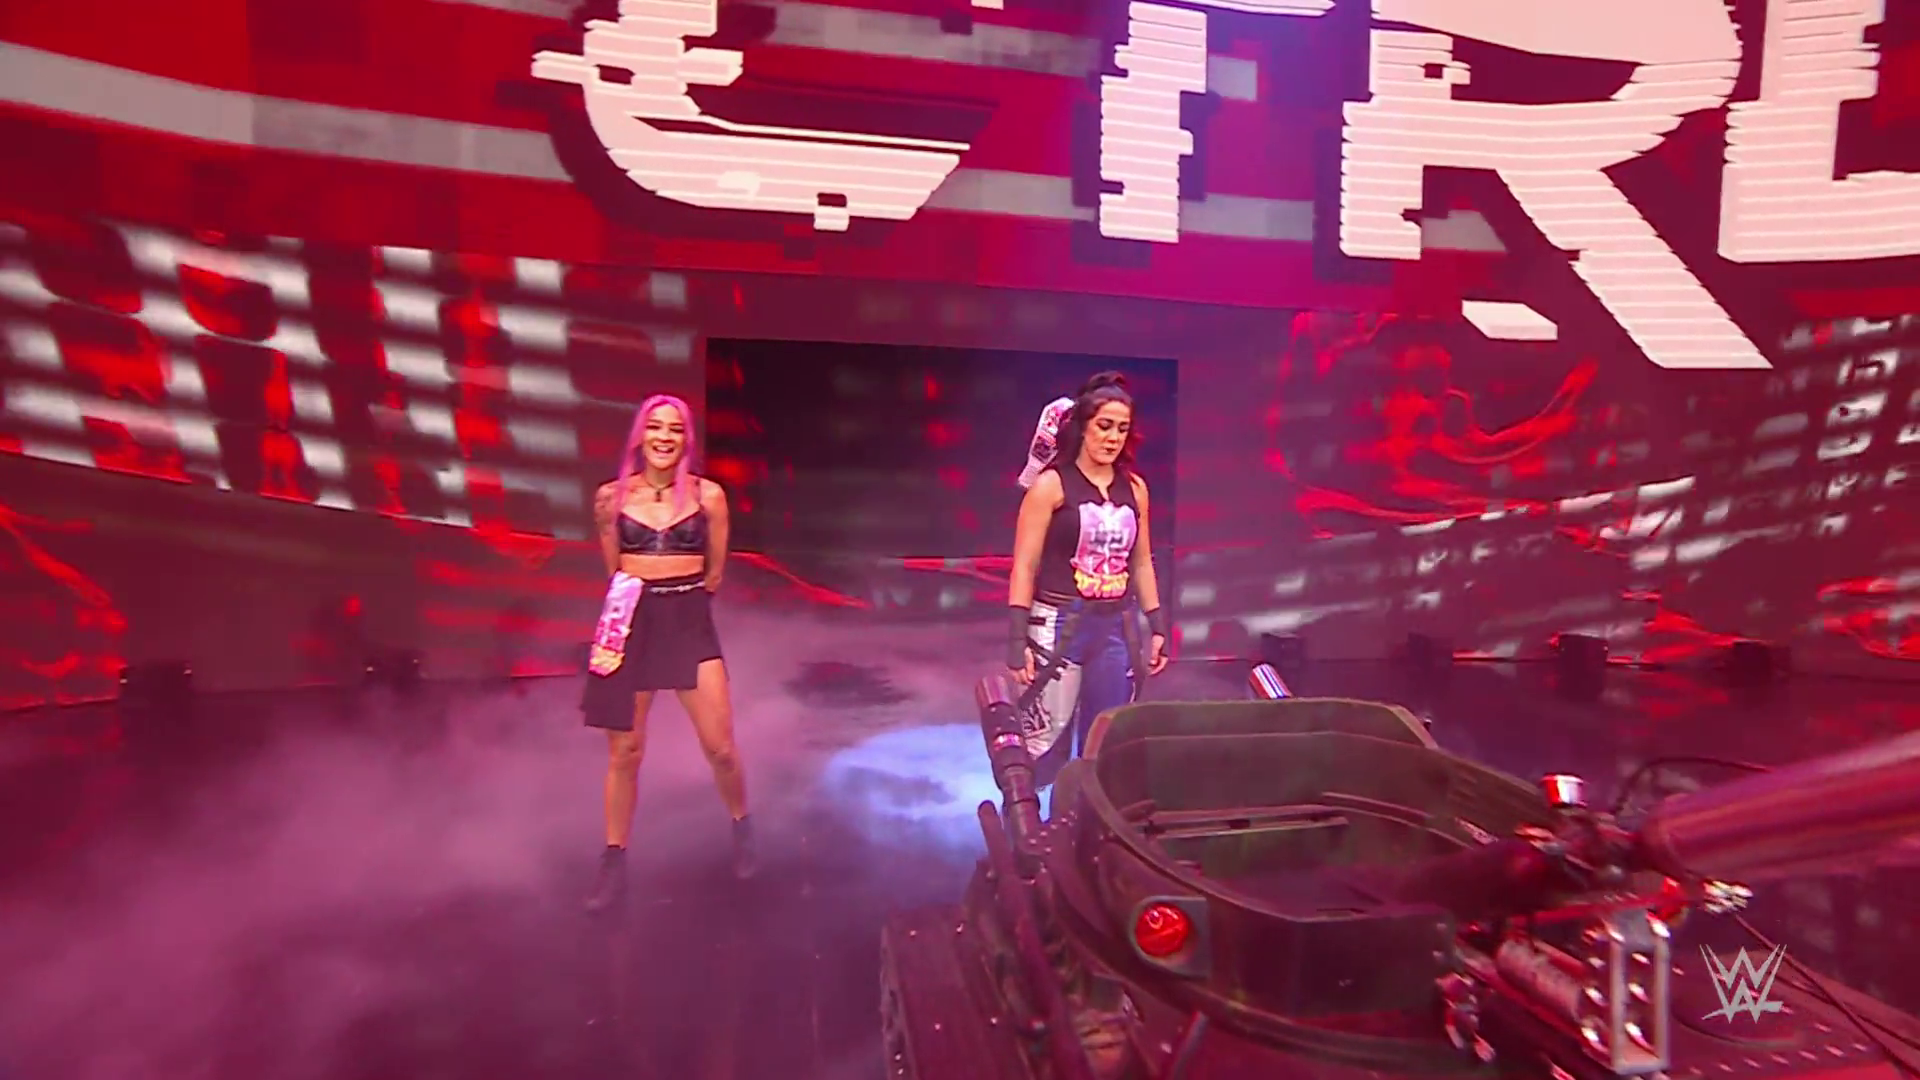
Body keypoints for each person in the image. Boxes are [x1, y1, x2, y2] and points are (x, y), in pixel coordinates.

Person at [582, 393, 752, 911]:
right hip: (633, 621)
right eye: (655, 427)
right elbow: (614, 566)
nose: (664, 437)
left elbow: (714, 572)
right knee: (626, 753)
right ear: (640, 435)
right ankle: (613, 862)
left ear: (686, 441)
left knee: (721, 747)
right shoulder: (610, 499)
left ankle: (742, 825)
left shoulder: (709, 497)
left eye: (675, 429)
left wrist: (681, 601)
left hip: (688, 620)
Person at [1006, 372, 1170, 779]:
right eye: (1104, 426)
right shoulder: (1050, 487)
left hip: (1115, 626)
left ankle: (1088, 815)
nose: (1113, 438)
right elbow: (1024, 565)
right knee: (1044, 746)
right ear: (1083, 427)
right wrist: (1016, 639)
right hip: (1057, 625)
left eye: (1122, 429)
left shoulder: (1135, 489)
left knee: (1105, 744)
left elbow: (1142, 561)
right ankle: (1031, 816)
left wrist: (1157, 624)